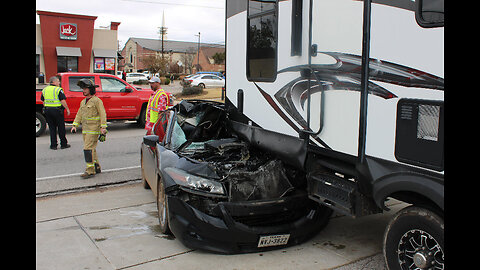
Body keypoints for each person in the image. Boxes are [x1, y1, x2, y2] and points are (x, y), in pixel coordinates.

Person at [70, 79, 107, 179]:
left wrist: (103, 127)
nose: (84, 90)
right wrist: (75, 125)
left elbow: (102, 113)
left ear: (91, 89)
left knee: (87, 149)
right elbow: (79, 114)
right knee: (92, 149)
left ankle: (90, 170)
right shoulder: (83, 102)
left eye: (86, 88)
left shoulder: (97, 101)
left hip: (93, 129)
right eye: (83, 88)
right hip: (85, 129)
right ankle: (96, 166)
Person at [41, 76, 71, 150]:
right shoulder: (58, 90)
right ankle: (63, 144)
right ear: (53, 82)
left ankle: (53, 145)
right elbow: (62, 100)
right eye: (58, 81)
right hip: (57, 111)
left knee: (52, 128)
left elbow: (43, 100)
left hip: (48, 110)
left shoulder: (45, 89)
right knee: (61, 128)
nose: (59, 83)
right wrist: (67, 109)